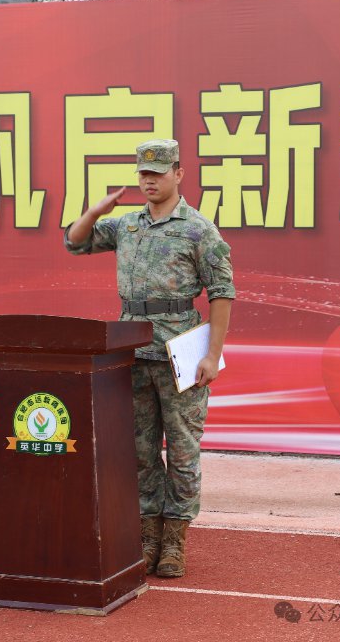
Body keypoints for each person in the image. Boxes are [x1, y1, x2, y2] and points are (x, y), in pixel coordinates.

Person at [64, 139, 235, 578]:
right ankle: (147, 536)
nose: (149, 180)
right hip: (133, 352)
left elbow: (222, 293)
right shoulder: (127, 225)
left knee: (182, 451)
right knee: (140, 451)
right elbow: (75, 243)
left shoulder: (198, 229)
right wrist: (95, 211)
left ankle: (174, 541)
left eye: (158, 173)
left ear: (178, 173)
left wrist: (212, 355)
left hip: (181, 353)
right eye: (144, 173)